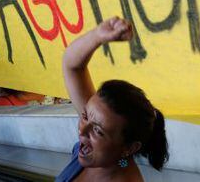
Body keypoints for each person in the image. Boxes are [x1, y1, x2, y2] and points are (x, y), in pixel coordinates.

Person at [56, 17, 168, 182]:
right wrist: (97, 36)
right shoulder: (96, 142)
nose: (82, 131)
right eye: (85, 115)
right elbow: (72, 66)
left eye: (98, 131)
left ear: (128, 148)